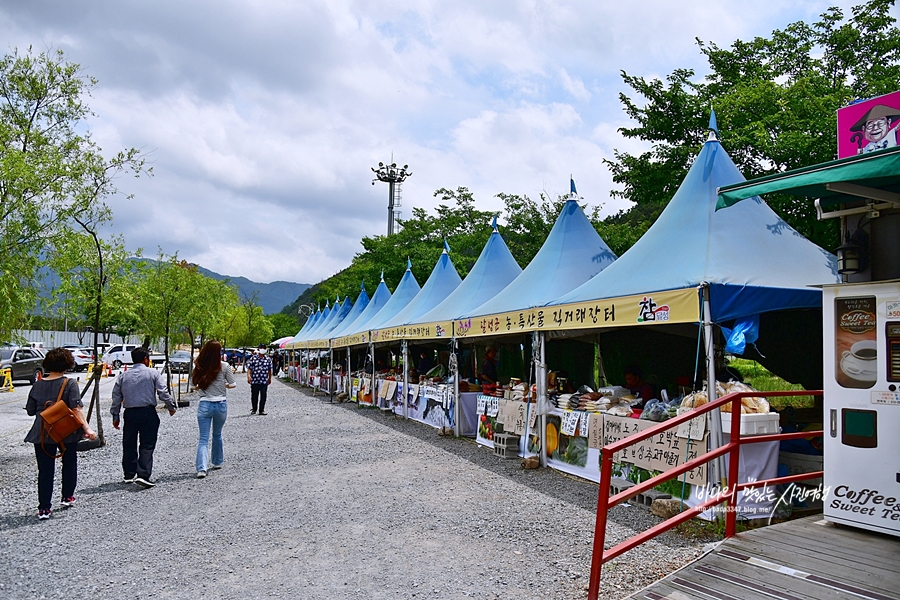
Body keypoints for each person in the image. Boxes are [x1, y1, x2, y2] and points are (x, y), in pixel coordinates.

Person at [24, 347, 97, 520]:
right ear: (67, 364)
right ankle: (67, 497)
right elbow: (76, 409)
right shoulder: (70, 383)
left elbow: (30, 410)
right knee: (69, 462)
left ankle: (44, 508)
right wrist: (87, 429)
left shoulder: (37, 385)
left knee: (45, 470)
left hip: (42, 431)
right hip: (66, 430)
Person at [110, 347, 177, 488]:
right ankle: (143, 474)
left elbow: (116, 397)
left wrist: (115, 415)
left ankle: (129, 474)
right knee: (147, 443)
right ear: (146, 359)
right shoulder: (153, 373)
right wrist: (171, 406)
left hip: (130, 413)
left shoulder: (123, 376)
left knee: (129, 443)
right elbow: (162, 392)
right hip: (148, 412)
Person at [191, 340, 236, 478]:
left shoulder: (199, 366)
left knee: (203, 438)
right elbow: (233, 384)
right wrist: (225, 386)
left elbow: (193, 386)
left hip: (204, 403)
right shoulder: (225, 366)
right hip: (220, 403)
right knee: (217, 434)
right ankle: (217, 462)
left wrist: (200, 386)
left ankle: (201, 469)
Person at [246, 344, 273, 415]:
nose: (262, 349)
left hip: (264, 380)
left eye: (264, 348)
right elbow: (249, 368)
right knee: (254, 395)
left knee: (263, 395)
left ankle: (261, 410)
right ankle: (254, 409)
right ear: (258, 349)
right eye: (261, 348)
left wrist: (270, 378)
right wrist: (248, 376)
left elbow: (270, 370)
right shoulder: (253, 358)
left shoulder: (268, 359)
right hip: (255, 380)